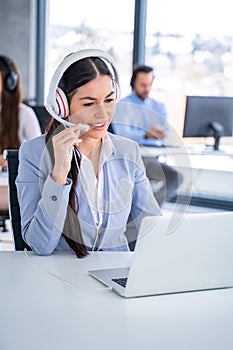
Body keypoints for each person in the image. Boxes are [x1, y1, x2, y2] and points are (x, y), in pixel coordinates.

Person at [16, 49, 161, 258]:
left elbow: (152, 225)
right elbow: (40, 245)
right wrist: (58, 175)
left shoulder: (128, 151)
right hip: (59, 279)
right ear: (62, 105)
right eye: (89, 103)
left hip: (115, 274)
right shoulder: (34, 153)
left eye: (109, 100)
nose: (102, 114)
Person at [112, 65, 182, 207]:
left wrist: (162, 135)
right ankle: (146, 210)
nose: (147, 89)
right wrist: (146, 134)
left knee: (175, 178)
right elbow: (122, 134)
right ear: (133, 83)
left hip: (151, 159)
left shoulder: (158, 107)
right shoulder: (122, 106)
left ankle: (147, 209)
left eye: (149, 85)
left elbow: (167, 134)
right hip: (131, 160)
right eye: (143, 85)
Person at [0, 55, 42, 167]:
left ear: (9, 82)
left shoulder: (24, 114)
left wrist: (11, 160)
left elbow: (39, 156)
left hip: (14, 178)